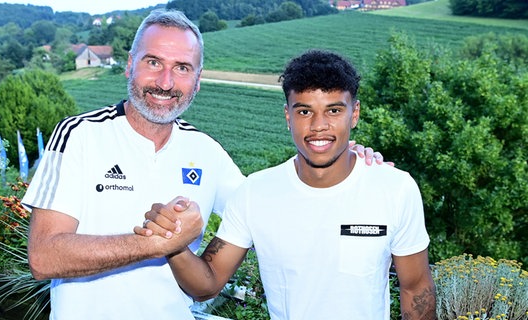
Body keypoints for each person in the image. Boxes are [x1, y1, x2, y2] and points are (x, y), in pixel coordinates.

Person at [22, 9, 385, 320]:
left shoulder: (206, 152)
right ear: (130, 64)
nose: (166, 82)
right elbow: (44, 256)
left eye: (182, 68)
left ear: (197, 81)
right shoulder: (80, 135)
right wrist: (158, 244)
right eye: (153, 63)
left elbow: (274, 206)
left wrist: (341, 163)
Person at [139, 49, 436, 319]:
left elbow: (416, 289)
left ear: (354, 114)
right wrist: (174, 246)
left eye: (334, 110)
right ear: (287, 117)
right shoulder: (255, 192)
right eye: (304, 111)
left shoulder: (395, 189)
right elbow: (207, 284)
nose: (319, 126)